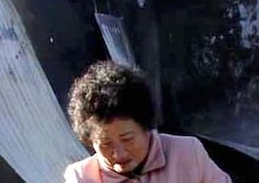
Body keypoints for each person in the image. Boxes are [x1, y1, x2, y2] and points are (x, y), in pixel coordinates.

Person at [63, 60, 232, 182]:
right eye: (105, 143)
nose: (119, 154)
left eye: (127, 139)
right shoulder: (81, 178)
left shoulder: (187, 154)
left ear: (146, 127)